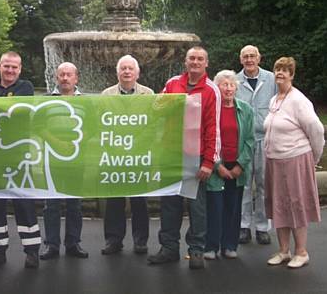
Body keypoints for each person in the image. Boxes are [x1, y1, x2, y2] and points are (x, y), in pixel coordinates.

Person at [147, 46, 220, 270]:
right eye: (191, 58)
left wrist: (208, 163)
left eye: (200, 59)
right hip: (172, 154)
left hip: (195, 157)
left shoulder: (211, 89)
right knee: (169, 203)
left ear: (206, 63)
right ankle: (168, 248)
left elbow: (213, 129)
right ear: (185, 61)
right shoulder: (172, 83)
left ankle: (196, 250)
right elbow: (155, 108)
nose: (195, 62)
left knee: (197, 207)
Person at [0, 51, 42, 269]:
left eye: (14, 67)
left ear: (20, 69)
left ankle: (32, 251)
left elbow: (18, 111)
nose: (10, 70)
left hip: (20, 158)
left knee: (24, 205)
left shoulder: (26, 88)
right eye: (6, 66)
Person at [264, 57, 324, 269]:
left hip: (295, 159)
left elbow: (316, 130)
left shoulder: (299, 100)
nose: (280, 73)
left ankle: (301, 252)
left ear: (292, 74)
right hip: (275, 160)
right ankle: (283, 251)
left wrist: (313, 158)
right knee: (279, 205)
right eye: (277, 69)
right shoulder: (275, 99)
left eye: (284, 70)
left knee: (296, 206)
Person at [100, 54, 153, 256]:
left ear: (137, 73)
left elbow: (152, 123)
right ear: (117, 72)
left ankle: (140, 240)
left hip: (139, 155)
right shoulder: (106, 95)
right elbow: (101, 122)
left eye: (131, 68)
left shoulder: (148, 94)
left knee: (140, 200)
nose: (127, 72)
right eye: (123, 68)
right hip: (115, 155)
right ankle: (113, 240)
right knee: (114, 200)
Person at [39, 62, 88, 260]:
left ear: (76, 78)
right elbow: (38, 126)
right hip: (52, 159)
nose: (65, 78)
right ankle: (51, 245)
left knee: (74, 205)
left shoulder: (86, 102)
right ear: (56, 78)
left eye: (69, 74)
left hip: (77, 160)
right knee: (51, 204)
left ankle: (73, 243)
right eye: (61, 75)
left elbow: (92, 127)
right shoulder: (44, 100)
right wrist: (57, 142)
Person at [204, 70, 254, 260]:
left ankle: (230, 245)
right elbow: (206, 138)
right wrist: (217, 165)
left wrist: (240, 165)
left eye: (231, 84)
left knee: (233, 208)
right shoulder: (211, 110)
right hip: (216, 165)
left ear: (236, 87)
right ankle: (211, 246)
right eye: (224, 84)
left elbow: (250, 140)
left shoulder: (246, 110)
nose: (228, 88)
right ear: (217, 88)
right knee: (214, 208)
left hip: (237, 167)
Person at [236, 45, 277, 245]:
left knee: (263, 185)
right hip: (243, 141)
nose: (249, 59)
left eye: (253, 56)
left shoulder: (271, 79)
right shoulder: (234, 81)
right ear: (240, 60)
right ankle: (243, 226)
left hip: (265, 139)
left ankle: (262, 227)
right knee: (243, 184)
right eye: (246, 57)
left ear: (259, 58)